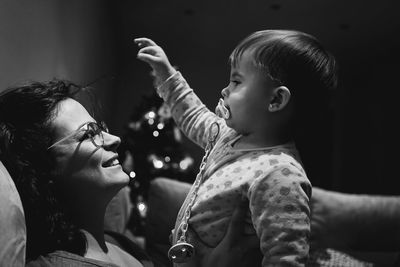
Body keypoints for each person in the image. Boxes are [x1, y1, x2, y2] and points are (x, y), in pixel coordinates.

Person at [135, 29, 338, 266]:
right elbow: (193, 114)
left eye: (236, 81)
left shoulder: (281, 174)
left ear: (275, 100)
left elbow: (285, 257)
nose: (225, 90)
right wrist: (167, 74)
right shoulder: (226, 135)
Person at [0, 80, 149, 266]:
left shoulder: (122, 243)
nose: (115, 139)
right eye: (88, 134)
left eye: (101, 129)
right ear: (44, 168)